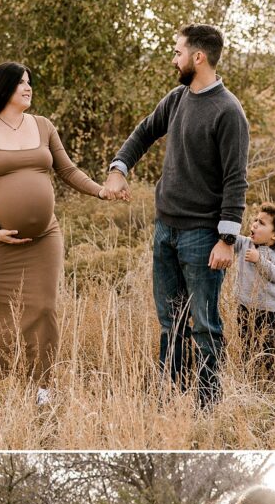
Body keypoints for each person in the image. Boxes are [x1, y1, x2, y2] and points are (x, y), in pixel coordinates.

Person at [0, 62, 129, 405]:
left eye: (29, 82)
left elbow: (67, 170)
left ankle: (41, 386)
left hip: (45, 237)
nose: (27, 87)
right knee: (4, 310)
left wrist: (101, 191)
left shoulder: (43, 126)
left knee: (44, 308)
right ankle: (5, 386)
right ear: (2, 89)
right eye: (20, 83)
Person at [104, 23, 249, 407]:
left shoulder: (229, 112)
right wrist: (119, 169)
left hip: (203, 236)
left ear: (198, 57)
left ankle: (207, 404)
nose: (174, 59)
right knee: (170, 320)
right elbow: (143, 133)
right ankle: (171, 395)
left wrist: (226, 239)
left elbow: (236, 180)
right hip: (165, 229)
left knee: (204, 324)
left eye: (177, 52)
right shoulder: (177, 98)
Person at [232, 204, 275, 375]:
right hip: (245, 307)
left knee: (272, 351)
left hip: (271, 311)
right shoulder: (245, 243)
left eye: (262, 223)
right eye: (255, 220)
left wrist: (259, 260)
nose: (255, 224)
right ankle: (251, 379)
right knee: (248, 347)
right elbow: (228, 238)